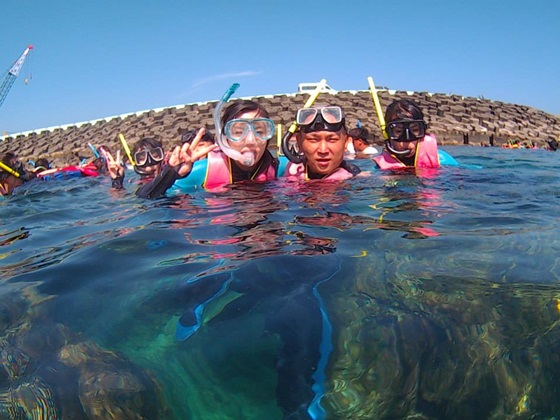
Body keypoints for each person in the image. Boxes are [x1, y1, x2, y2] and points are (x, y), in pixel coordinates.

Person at [137, 100, 277, 198]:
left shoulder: (279, 168)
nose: (251, 140)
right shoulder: (203, 171)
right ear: (224, 138)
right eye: (239, 132)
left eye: (260, 131)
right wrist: (170, 173)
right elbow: (145, 197)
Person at [373, 99, 457, 169]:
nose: (408, 143)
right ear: (388, 133)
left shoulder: (441, 160)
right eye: (398, 131)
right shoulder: (381, 167)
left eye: (415, 130)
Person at [282, 105, 361, 180]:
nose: (323, 150)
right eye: (313, 140)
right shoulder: (287, 174)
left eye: (332, 140)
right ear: (299, 143)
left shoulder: (356, 180)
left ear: (346, 142)